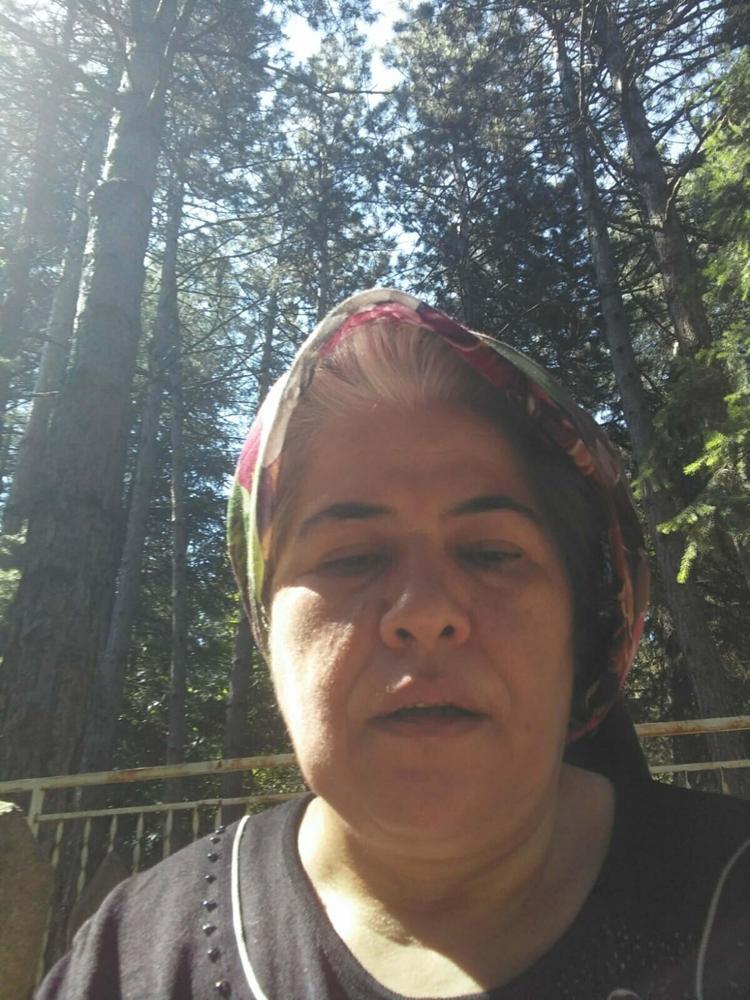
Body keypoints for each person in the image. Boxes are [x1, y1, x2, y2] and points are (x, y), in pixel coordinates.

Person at [38, 288, 750, 999]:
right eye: (352, 558)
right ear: (267, 625)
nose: (425, 612)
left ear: (585, 627)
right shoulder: (132, 959)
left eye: (491, 553)